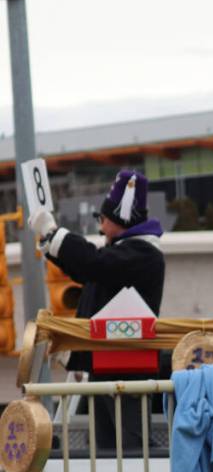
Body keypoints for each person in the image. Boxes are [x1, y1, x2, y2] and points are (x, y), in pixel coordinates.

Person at [29, 169, 165, 449]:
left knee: (131, 445)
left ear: (122, 219)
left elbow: (94, 264)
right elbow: (88, 270)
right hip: (108, 362)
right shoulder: (126, 251)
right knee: (104, 446)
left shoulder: (144, 254)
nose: (100, 225)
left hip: (129, 367)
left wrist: (54, 234)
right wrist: (52, 243)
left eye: (103, 218)